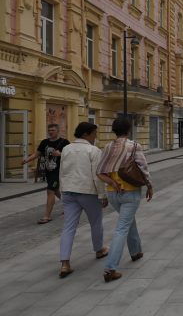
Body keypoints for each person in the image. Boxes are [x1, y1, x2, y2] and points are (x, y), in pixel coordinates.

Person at [97, 117, 153, 283]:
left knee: (128, 221)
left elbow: (100, 172)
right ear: (129, 130)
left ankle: (136, 251)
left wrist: (113, 182)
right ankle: (110, 268)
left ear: (114, 130)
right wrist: (149, 186)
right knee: (122, 227)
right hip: (130, 192)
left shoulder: (107, 147)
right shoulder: (134, 146)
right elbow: (143, 167)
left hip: (112, 193)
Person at [58, 122, 108, 278]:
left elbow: (62, 171)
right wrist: (102, 195)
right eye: (94, 133)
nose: (95, 137)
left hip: (68, 191)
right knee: (96, 222)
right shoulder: (93, 150)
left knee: (68, 227)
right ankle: (99, 250)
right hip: (87, 192)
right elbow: (97, 175)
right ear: (87, 134)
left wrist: (62, 190)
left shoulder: (66, 149)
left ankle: (65, 263)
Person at [22, 124, 70, 224]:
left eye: (53, 130)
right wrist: (27, 160)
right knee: (56, 190)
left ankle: (46, 216)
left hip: (59, 171)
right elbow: (37, 153)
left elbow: (72, 156)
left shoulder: (64, 142)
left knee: (50, 191)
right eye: (49, 130)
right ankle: (69, 205)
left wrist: (60, 154)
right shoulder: (45, 142)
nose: (50, 132)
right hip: (48, 171)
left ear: (57, 131)